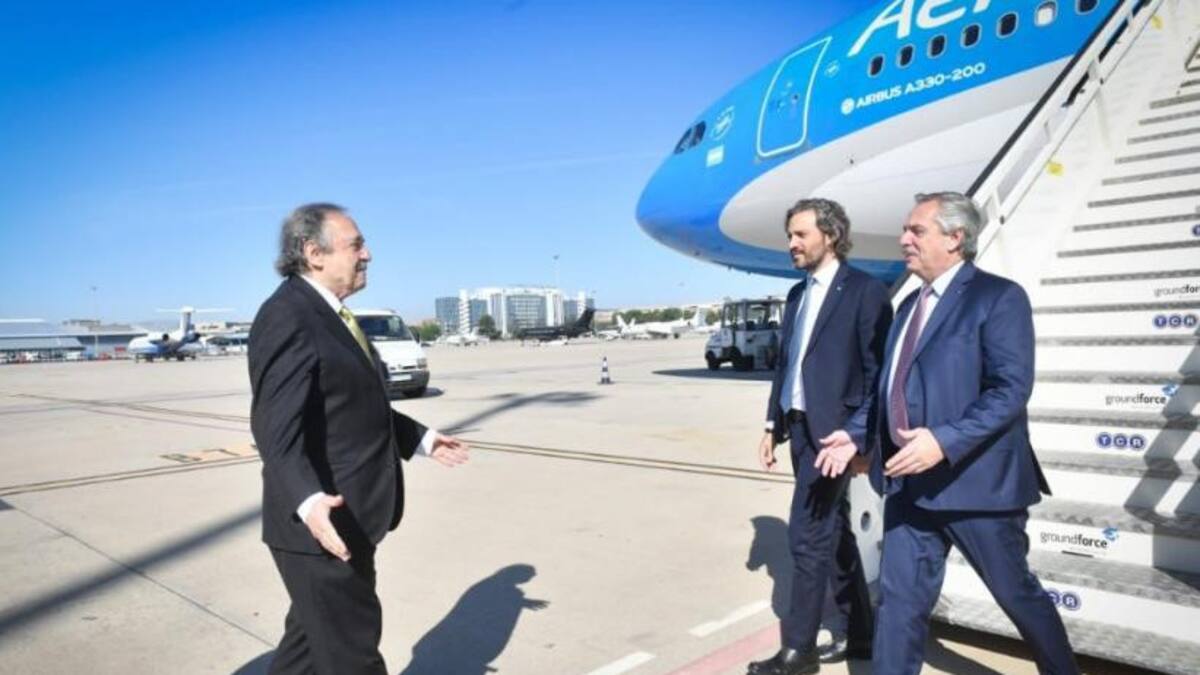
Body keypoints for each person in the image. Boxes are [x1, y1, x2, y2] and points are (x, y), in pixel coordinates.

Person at [821, 192, 1077, 674]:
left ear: (955, 239)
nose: (904, 240)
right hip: (909, 486)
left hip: (977, 488)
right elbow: (887, 389)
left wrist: (943, 440)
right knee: (898, 606)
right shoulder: (906, 309)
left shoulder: (998, 297)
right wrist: (857, 434)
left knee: (1016, 595)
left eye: (916, 231)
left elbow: (1010, 389)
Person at [248, 203, 469, 675]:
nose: (367, 253)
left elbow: (352, 404)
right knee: (354, 655)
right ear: (314, 253)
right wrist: (308, 501)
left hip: (348, 518)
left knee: (307, 650)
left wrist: (421, 438)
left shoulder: (333, 315)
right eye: (355, 244)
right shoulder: (289, 315)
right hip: (321, 525)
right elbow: (274, 425)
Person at [749, 198, 892, 675]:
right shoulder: (796, 295)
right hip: (800, 431)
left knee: (807, 538)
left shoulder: (865, 292)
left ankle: (800, 649)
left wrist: (860, 440)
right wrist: (773, 423)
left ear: (829, 236)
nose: (791, 243)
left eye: (800, 235)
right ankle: (862, 632)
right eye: (789, 235)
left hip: (835, 438)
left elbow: (879, 377)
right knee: (833, 533)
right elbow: (786, 365)